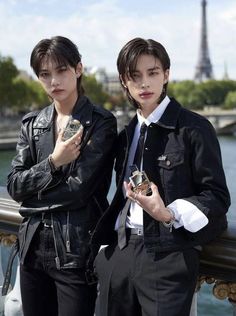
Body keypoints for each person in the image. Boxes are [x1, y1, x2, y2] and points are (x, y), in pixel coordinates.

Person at [91, 37, 231, 316]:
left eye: (152, 73)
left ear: (166, 75)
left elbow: (216, 196)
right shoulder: (126, 135)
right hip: (119, 253)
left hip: (167, 257)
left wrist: (167, 213)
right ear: (124, 81)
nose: (144, 83)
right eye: (135, 76)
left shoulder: (195, 129)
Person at [6, 36, 117, 316]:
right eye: (45, 74)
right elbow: (14, 185)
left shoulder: (100, 123)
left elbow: (78, 190)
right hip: (31, 251)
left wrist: (30, 203)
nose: (54, 80)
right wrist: (54, 162)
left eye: (61, 70)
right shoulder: (33, 124)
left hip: (74, 252)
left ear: (78, 69)